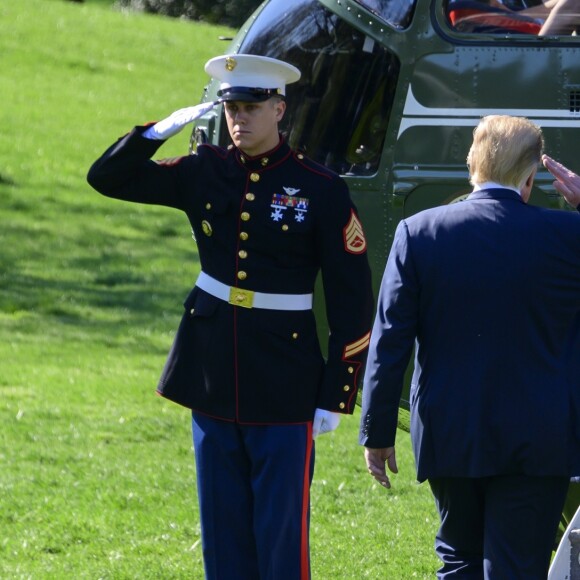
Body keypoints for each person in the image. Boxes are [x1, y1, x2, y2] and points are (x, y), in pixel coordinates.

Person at [87, 54, 373, 580]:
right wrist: (155, 132)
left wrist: (337, 392)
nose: (239, 119)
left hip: (285, 376)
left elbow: (353, 299)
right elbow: (106, 178)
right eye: (232, 108)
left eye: (251, 108)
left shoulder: (320, 188)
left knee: (280, 535)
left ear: (279, 108)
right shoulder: (204, 169)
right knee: (222, 534)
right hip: (212, 369)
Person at [359, 115, 580, 578]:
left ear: (470, 167)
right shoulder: (566, 237)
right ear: (529, 178)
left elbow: (389, 341)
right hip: (538, 436)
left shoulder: (417, 234)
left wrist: (377, 431)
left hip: (450, 429)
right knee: (519, 565)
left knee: (457, 560)